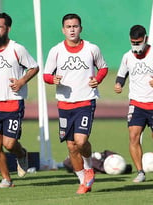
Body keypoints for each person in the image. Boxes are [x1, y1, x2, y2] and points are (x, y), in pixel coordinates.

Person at [43, 13, 108, 194]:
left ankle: (88, 168)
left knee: (81, 141)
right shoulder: (56, 50)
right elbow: (46, 75)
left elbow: (103, 67)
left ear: (81, 28)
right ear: (63, 30)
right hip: (64, 103)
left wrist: (98, 79)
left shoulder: (91, 48)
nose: (72, 29)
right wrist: (52, 79)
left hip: (86, 100)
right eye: (68, 27)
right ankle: (83, 181)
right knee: (71, 146)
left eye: (75, 26)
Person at [0, 12, 38, 188]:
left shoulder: (17, 49)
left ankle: (22, 154)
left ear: (7, 29)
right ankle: (6, 179)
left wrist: (22, 81)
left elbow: (34, 67)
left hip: (13, 102)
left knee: (9, 144)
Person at [114, 25, 153, 183]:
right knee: (133, 136)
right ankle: (140, 172)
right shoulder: (127, 57)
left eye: (138, 42)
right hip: (137, 103)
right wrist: (118, 84)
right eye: (133, 42)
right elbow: (122, 74)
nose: (136, 45)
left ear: (146, 39)